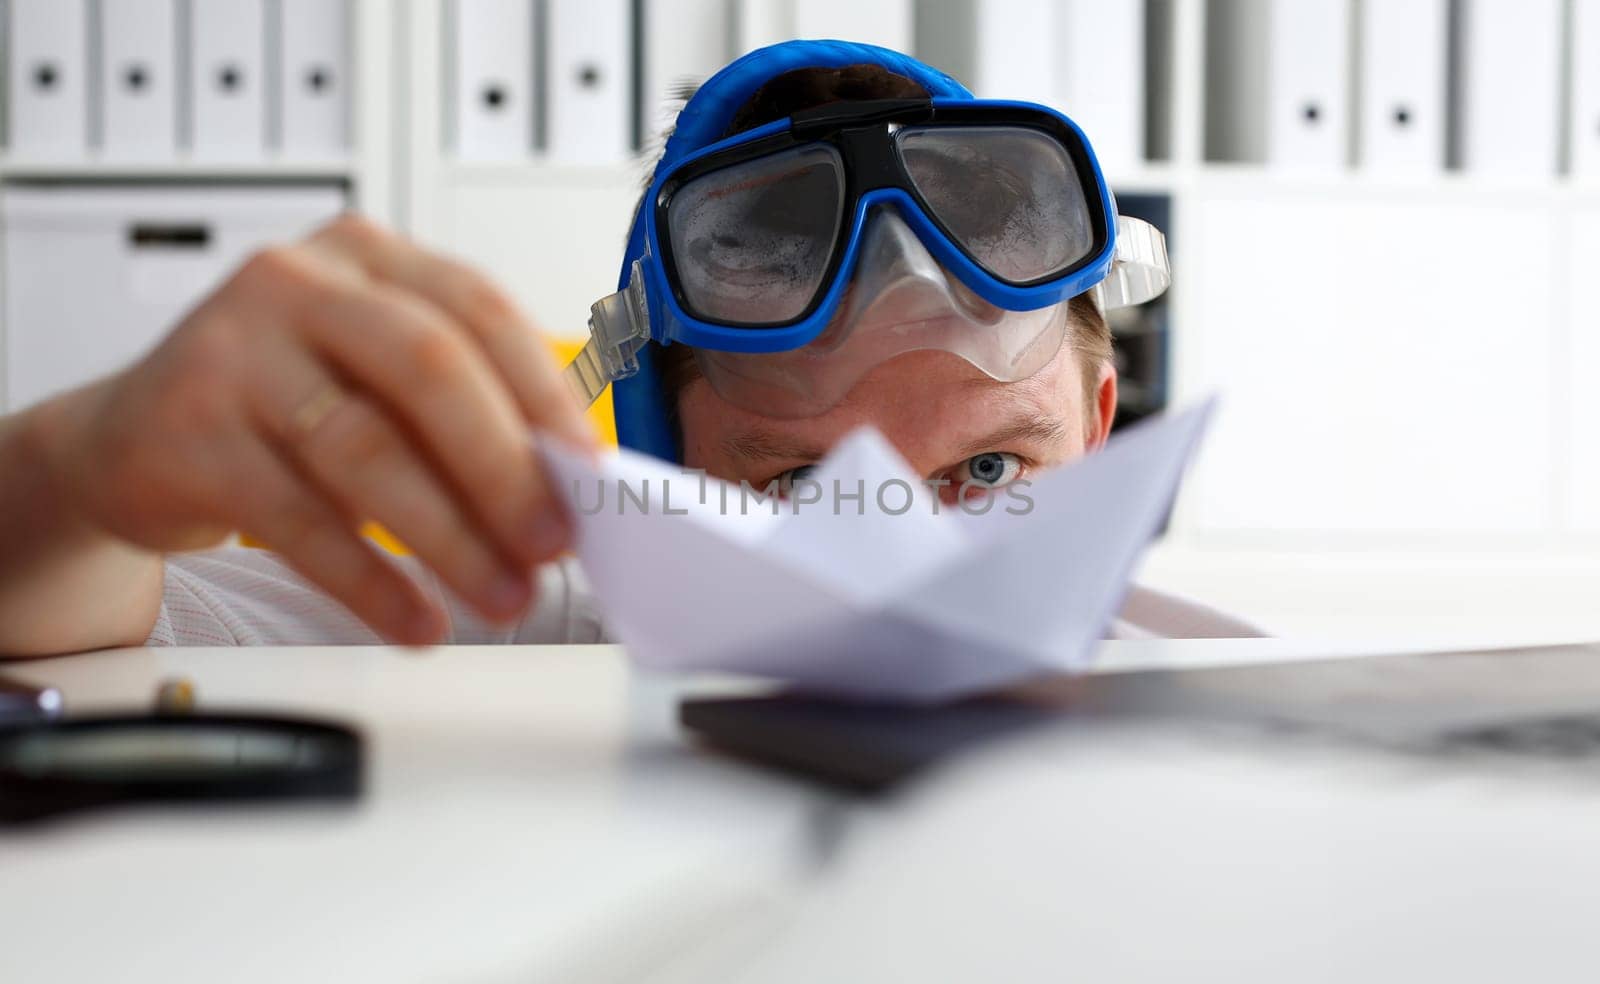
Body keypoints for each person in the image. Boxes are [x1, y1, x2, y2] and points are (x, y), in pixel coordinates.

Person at [0, 41, 1255, 658]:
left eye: (987, 476)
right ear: (663, 466)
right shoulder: (548, 634)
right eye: (807, 492)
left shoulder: (1210, 680)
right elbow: (81, 632)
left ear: (1096, 434)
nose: (909, 576)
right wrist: (70, 475)